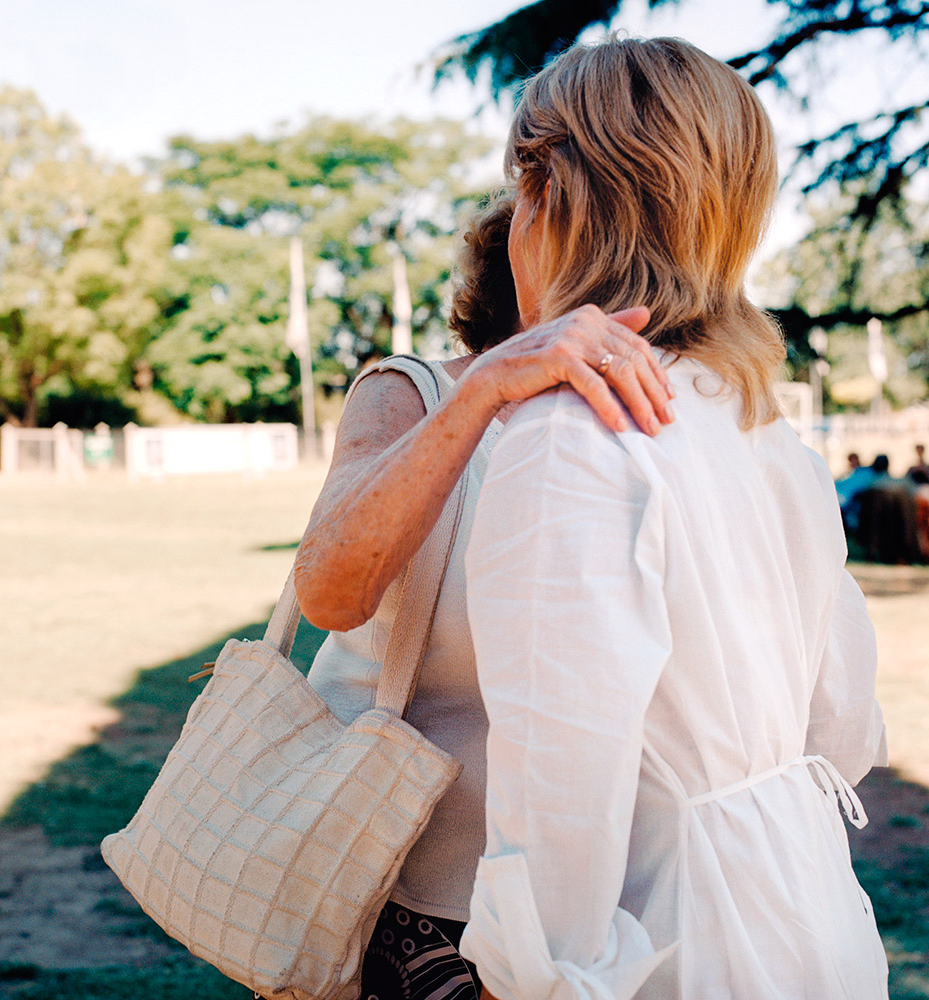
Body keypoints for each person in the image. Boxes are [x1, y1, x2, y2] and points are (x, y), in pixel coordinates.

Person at [460, 37, 888, 1000]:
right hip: (811, 902)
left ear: (553, 198)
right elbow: (846, 726)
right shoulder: (765, 430)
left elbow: (558, 783)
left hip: (671, 943)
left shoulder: (574, 433)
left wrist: (527, 976)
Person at [295, 182, 676, 996]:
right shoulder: (413, 391)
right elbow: (327, 594)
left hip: (590, 897)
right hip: (396, 883)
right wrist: (485, 390)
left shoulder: (655, 413)